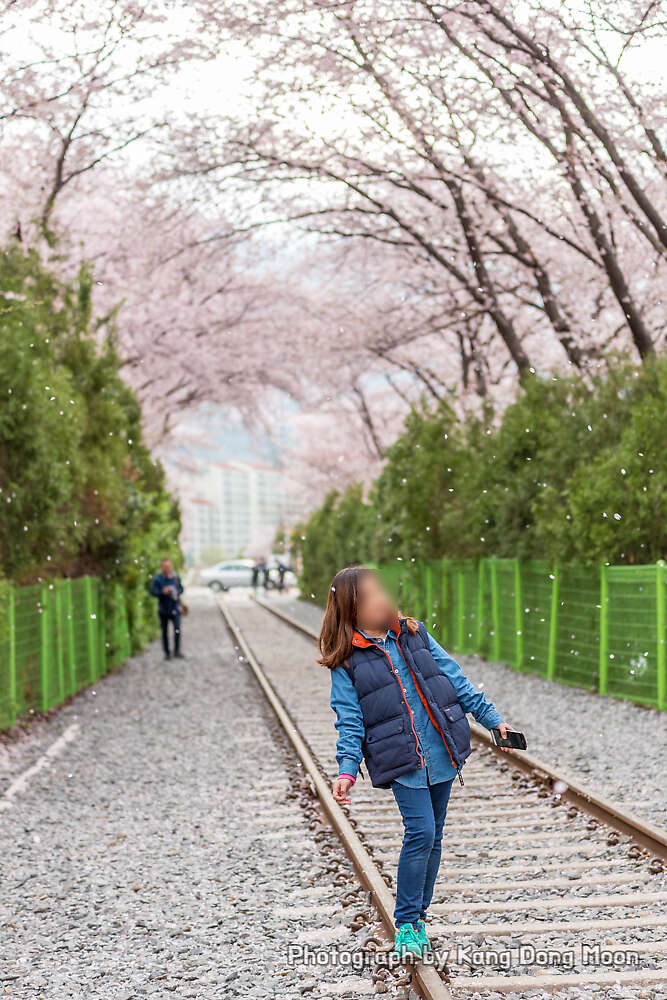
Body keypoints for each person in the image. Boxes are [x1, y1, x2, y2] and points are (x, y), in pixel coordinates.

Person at [323, 565, 516, 960]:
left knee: (435, 835)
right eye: (370, 594)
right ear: (352, 608)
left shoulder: (414, 633)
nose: (382, 598)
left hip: (442, 748)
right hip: (402, 758)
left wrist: (492, 720)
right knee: (421, 832)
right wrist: (347, 767)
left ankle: (419, 917)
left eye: (382, 590)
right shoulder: (347, 661)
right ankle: (407, 922)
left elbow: (456, 681)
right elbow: (349, 719)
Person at [150, 558, 184, 660]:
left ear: (171, 566)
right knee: (164, 632)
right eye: (165, 567)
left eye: (168, 566)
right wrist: (162, 591)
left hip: (175, 608)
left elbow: (182, 589)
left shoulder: (176, 577)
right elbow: (153, 592)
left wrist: (176, 591)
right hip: (163, 609)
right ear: (162, 567)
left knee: (177, 629)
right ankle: (167, 653)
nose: (167, 568)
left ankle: (177, 651)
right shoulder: (158, 579)